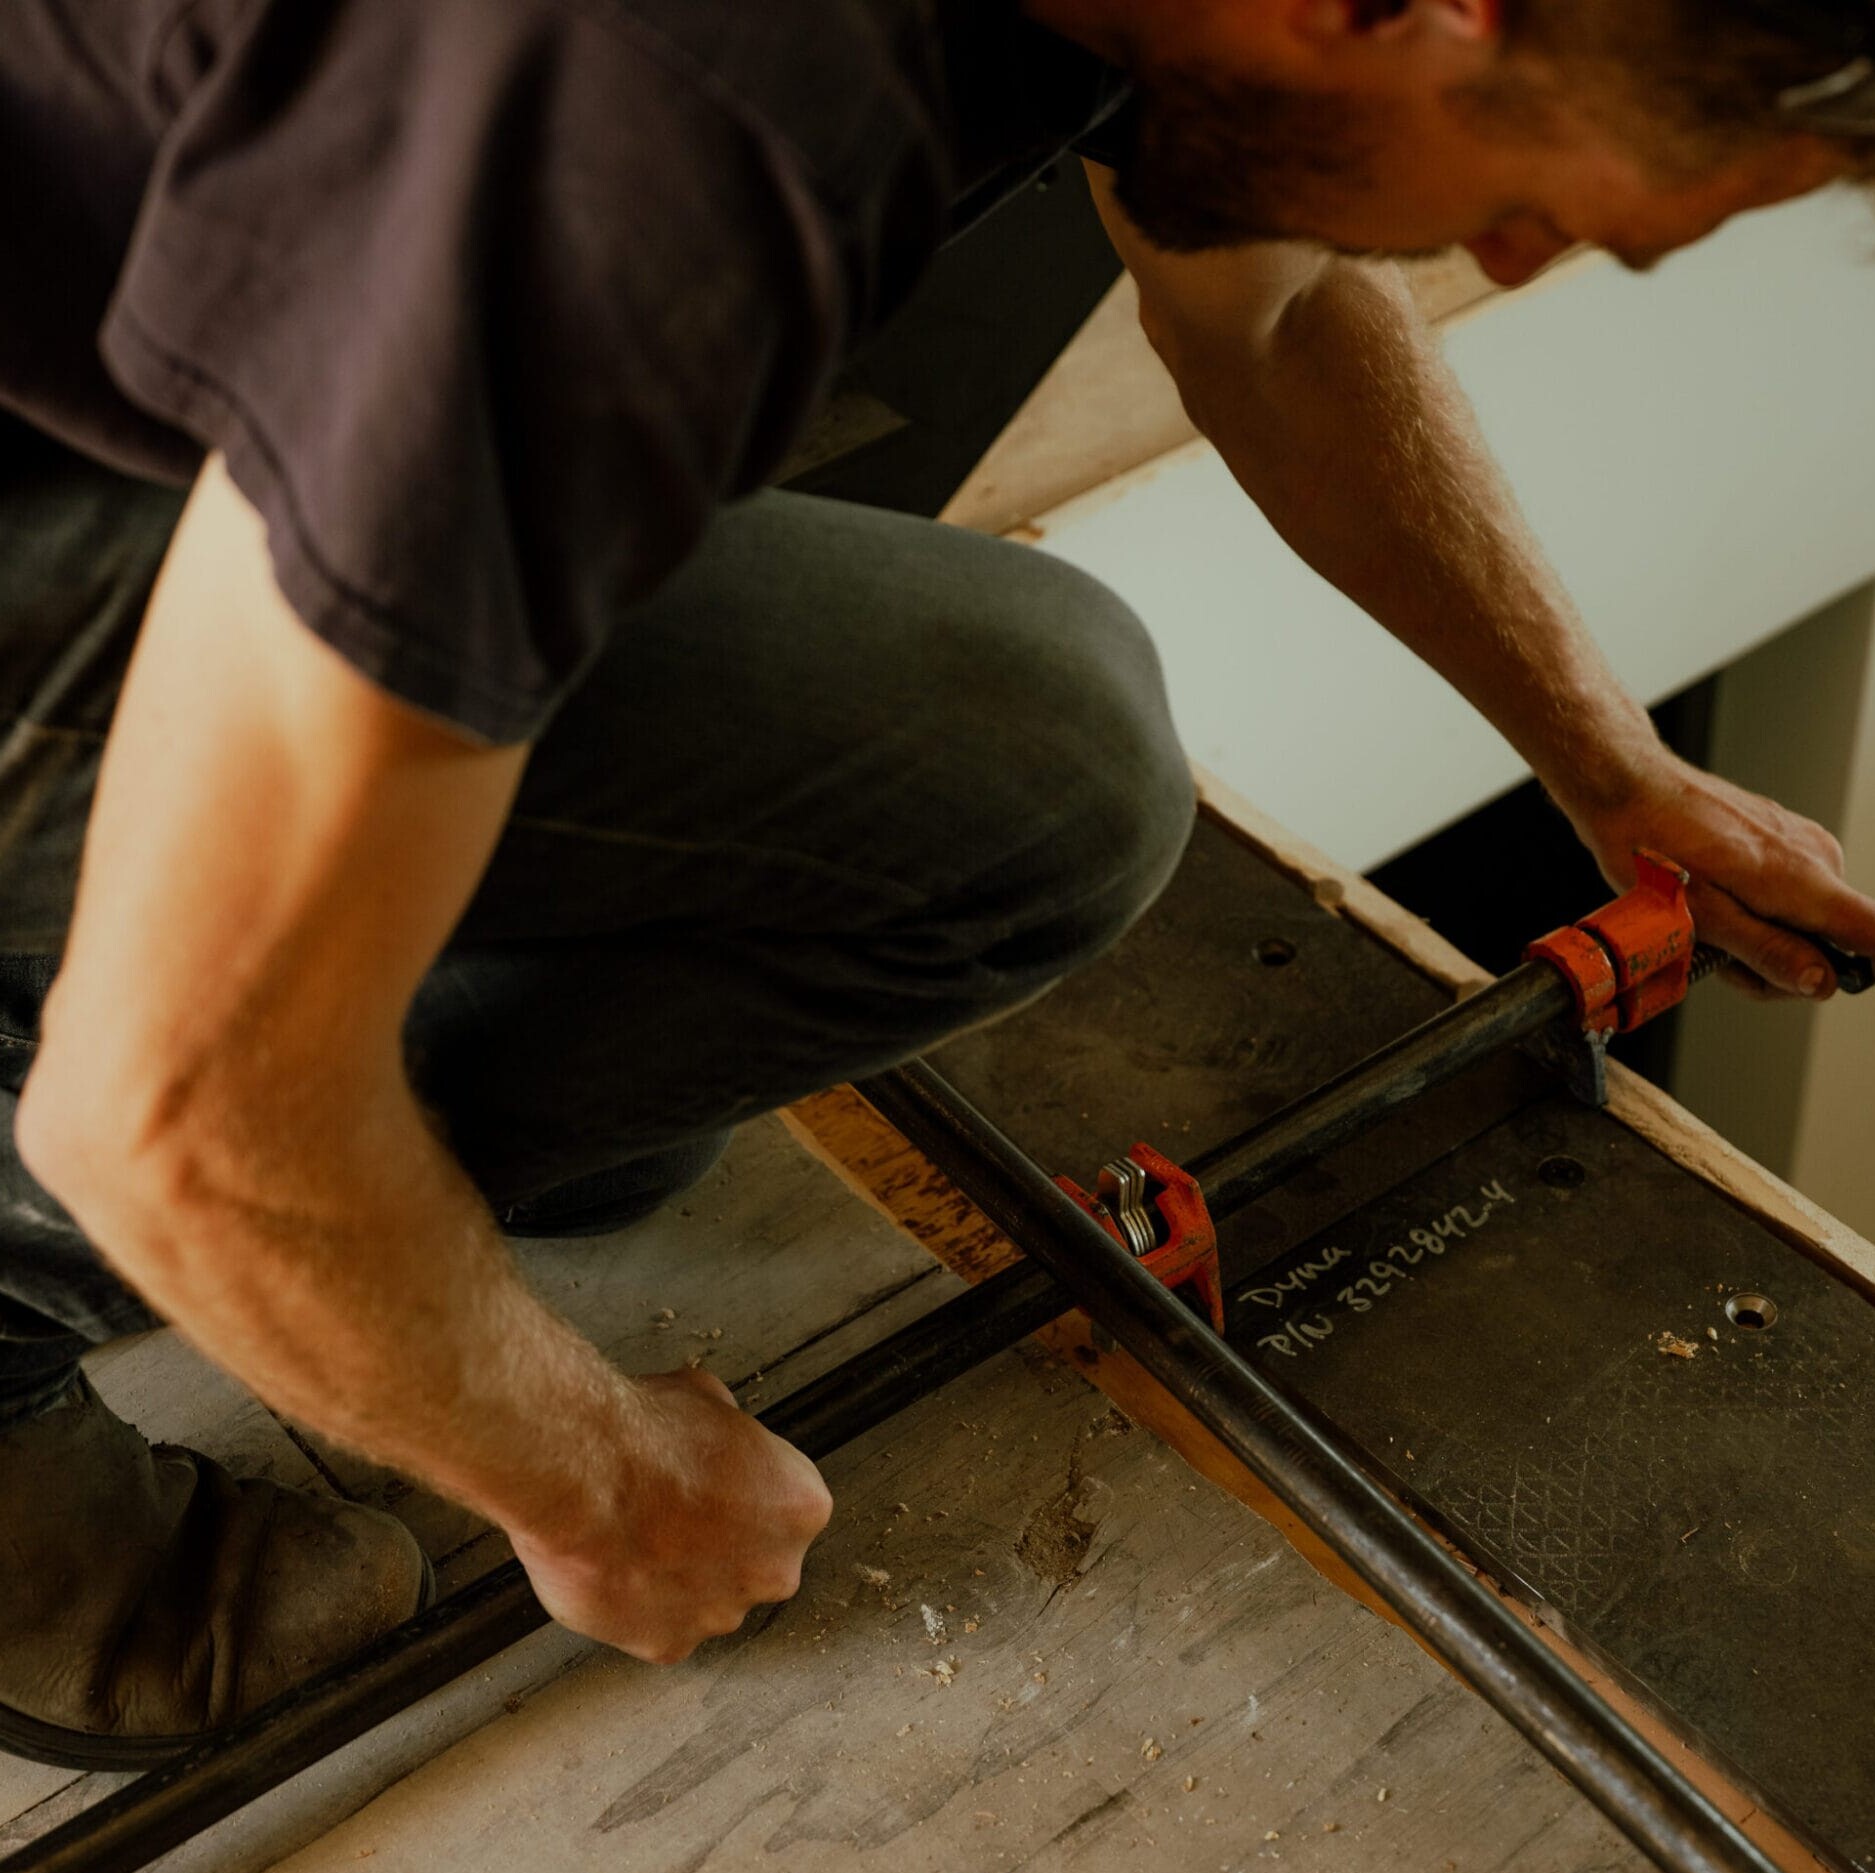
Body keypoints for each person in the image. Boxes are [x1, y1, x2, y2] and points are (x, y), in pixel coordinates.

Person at [4, 0, 1875, 1769]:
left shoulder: (1216, 38)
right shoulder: (660, 118)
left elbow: (1285, 304)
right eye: (1543, 207)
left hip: (205, 353)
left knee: (1028, 770)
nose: (1518, 266)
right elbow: (173, 1116)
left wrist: (1603, 761)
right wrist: (605, 1493)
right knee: (246, 1116)